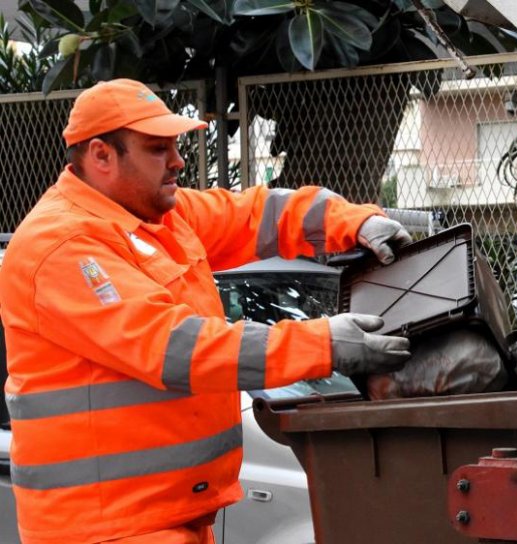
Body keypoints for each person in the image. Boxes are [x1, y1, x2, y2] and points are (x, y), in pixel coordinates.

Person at [0, 79, 413, 544]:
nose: (177, 160)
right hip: (106, 528)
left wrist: (355, 221)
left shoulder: (157, 218)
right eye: (158, 148)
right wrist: (324, 344)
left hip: (163, 515)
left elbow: (258, 214)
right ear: (101, 156)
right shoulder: (61, 247)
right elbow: (177, 347)